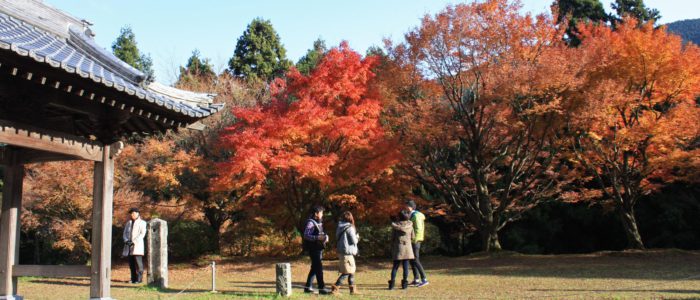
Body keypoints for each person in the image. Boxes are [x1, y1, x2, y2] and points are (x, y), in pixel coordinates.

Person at [331, 211, 360, 295]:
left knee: (351, 271)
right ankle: (335, 289)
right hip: (347, 252)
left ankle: (352, 290)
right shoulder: (350, 228)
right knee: (346, 272)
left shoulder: (339, 227)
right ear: (350, 218)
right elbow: (354, 241)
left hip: (342, 251)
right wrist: (357, 237)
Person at [303, 205, 330, 294]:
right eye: (321, 212)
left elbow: (321, 234)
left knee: (314, 268)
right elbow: (306, 235)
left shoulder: (319, 222)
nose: (322, 214)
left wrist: (325, 237)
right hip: (314, 249)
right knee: (318, 269)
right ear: (316, 213)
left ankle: (307, 287)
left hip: (318, 248)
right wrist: (317, 237)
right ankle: (322, 288)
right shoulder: (310, 222)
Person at [389, 210, 415, 290]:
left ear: (399, 217)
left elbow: (392, 238)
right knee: (406, 267)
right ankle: (404, 285)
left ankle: (392, 285)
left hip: (398, 248)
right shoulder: (410, 225)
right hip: (407, 248)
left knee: (395, 267)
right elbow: (413, 237)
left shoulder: (396, 226)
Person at [406, 200, 429, 287]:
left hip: (415, 240)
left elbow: (418, 229)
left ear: (411, 207)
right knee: (412, 259)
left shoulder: (416, 215)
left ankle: (424, 279)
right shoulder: (413, 215)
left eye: (407, 206)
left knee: (416, 259)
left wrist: (414, 239)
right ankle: (416, 279)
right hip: (412, 240)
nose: (405, 207)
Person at [122, 207, 147, 284]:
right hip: (129, 246)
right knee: (131, 264)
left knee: (138, 264)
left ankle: (139, 279)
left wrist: (134, 242)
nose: (132, 215)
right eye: (131, 213)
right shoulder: (128, 223)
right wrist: (126, 240)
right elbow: (125, 233)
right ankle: (133, 278)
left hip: (137, 246)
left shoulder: (142, 223)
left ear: (137, 213)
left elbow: (142, 234)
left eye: (133, 213)